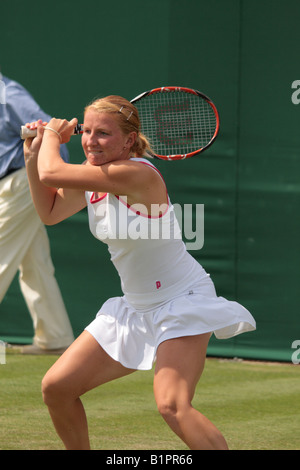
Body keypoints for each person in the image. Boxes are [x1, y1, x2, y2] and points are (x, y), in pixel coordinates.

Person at [23, 94, 256, 450]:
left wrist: (53, 135)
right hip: (134, 308)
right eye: (88, 131)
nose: (90, 140)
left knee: (172, 406)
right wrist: (30, 156)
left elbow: (52, 172)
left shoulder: (136, 174)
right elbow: (50, 211)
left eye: (104, 133)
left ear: (129, 140)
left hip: (181, 301)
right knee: (56, 389)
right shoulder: (93, 179)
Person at [0, 74, 74, 354]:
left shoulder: (8, 93)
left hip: (21, 183)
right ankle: (55, 337)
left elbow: (47, 130)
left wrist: (55, 172)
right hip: (11, 184)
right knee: (35, 263)